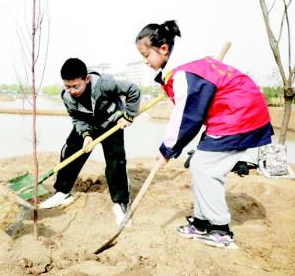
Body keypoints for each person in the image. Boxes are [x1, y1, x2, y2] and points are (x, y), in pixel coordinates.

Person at [135, 20, 273, 249]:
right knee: (200, 163)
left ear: (163, 49)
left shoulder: (185, 73)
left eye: (146, 54)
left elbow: (186, 118)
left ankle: (219, 230)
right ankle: (201, 222)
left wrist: (167, 150)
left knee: (206, 169)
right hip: (230, 115)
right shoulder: (189, 67)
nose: (145, 60)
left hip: (239, 116)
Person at [39, 58, 141, 227]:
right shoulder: (66, 96)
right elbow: (76, 118)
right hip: (88, 124)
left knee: (116, 160)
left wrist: (129, 115)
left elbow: (133, 90)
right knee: (70, 151)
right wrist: (86, 135)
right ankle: (63, 191)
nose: (72, 90)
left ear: (86, 79)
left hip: (111, 123)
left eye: (75, 86)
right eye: (68, 86)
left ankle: (121, 202)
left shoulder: (104, 84)